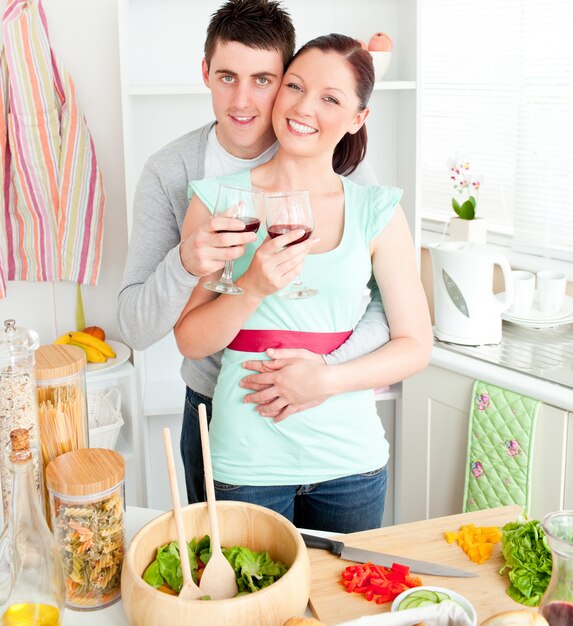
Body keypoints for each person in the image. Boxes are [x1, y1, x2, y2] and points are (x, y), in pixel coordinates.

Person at [117, 0, 393, 505]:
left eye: (264, 80)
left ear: (288, 78)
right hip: (218, 410)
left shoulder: (334, 159)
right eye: (226, 77)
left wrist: (319, 373)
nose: (242, 100)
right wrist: (186, 261)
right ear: (205, 73)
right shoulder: (173, 172)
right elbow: (136, 327)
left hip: (325, 412)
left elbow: (383, 302)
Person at [173, 33, 433, 533]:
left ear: (358, 118)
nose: (303, 107)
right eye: (295, 86)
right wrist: (252, 286)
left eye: (330, 98)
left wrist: (325, 380)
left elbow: (415, 345)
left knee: (344, 607)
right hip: (246, 462)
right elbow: (190, 339)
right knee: (252, 610)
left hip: (349, 462)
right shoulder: (218, 201)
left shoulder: (375, 210)